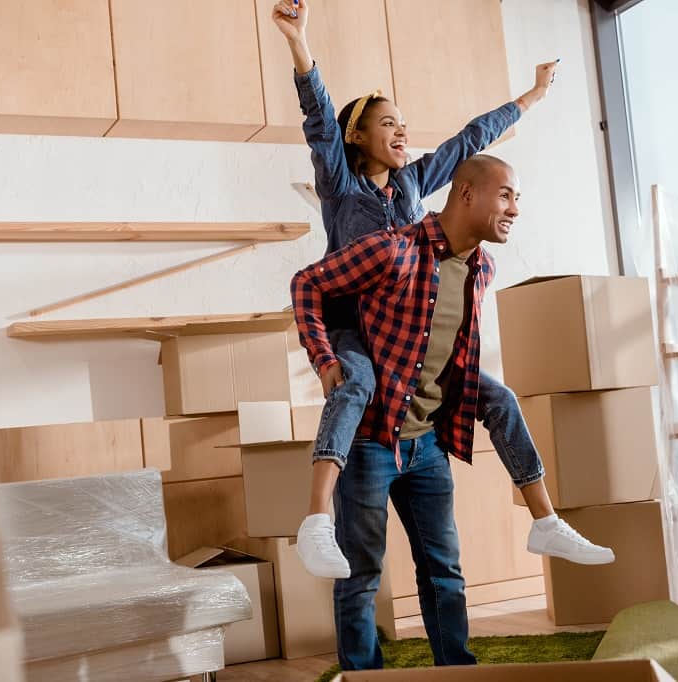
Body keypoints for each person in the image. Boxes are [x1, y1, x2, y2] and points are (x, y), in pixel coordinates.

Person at [271, 0, 609, 580]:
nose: (401, 129)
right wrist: (300, 44)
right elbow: (320, 118)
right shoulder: (341, 183)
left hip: (404, 331)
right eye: (386, 122)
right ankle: (315, 522)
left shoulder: (411, 184)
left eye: (402, 121)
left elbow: (470, 140)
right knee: (356, 384)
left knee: (497, 398)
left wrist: (532, 97)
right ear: (358, 137)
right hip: (353, 324)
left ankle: (545, 520)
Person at [291, 155, 615, 669]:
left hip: (427, 447)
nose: (514, 209)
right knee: (361, 576)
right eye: (506, 195)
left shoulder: (483, 266)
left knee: (444, 572)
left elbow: (451, 353)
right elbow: (307, 283)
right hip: (372, 442)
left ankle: (458, 673)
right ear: (466, 194)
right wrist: (325, 357)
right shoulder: (393, 251)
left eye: (517, 199)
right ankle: (362, 677)